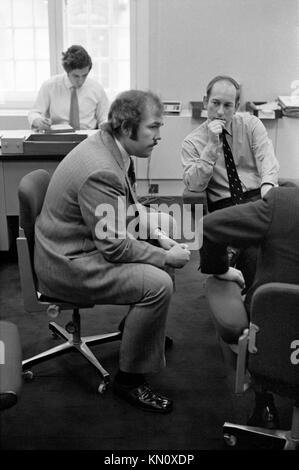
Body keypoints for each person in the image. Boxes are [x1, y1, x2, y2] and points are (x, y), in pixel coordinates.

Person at [34, 89, 190, 413]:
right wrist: (165, 257)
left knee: (163, 238)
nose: (160, 136)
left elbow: (127, 208)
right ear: (125, 126)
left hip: (76, 243)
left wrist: (160, 238)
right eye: (154, 128)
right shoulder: (100, 168)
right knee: (159, 282)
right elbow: (115, 246)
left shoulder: (111, 147)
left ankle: (137, 329)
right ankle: (129, 381)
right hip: (69, 262)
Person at [199, 185, 299, 428]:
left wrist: (220, 269)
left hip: (274, 344)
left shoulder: (285, 202)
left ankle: (264, 403)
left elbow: (209, 226)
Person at [181, 75, 280, 287]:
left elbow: (267, 160)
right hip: (225, 204)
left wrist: (268, 190)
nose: (219, 111)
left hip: (256, 197)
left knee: (278, 243)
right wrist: (210, 145)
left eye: (227, 105)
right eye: (215, 103)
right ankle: (257, 306)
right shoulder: (192, 142)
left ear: (236, 107)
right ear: (205, 101)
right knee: (254, 248)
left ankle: (231, 257)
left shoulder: (251, 125)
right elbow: (194, 185)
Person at [28, 45, 109, 131]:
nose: (80, 81)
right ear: (67, 72)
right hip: (59, 137)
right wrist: (38, 120)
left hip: (88, 138)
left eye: (84, 75)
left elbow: (104, 119)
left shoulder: (96, 88)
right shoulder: (50, 86)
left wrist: (106, 125)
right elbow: (34, 112)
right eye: (76, 76)